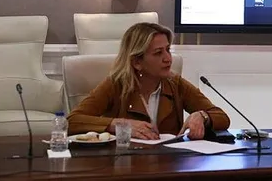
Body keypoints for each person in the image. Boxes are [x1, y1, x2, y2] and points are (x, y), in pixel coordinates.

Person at [67, 23, 230, 140]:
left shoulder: (176, 84)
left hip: (168, 165)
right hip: (125, 166)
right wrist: (118, 124)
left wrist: (202, 116)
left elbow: (221, 117)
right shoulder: (116, 85)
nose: (168, 58)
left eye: (168, 50)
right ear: (137, 62)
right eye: (158, 53)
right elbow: (72, 121)